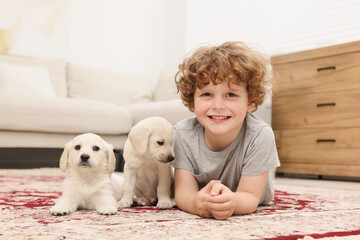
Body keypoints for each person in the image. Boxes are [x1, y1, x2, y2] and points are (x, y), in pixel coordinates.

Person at [172, 41, 280, 220]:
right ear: (192, 100)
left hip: (249, 194)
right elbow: (184, 193)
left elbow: (250, 196)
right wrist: (195, 203)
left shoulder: (260, 135)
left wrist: (233, 202)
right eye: (207, 94)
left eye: (231, 95)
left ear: (250, 102)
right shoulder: (183, 134)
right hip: (206, 197)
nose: (218, 106)